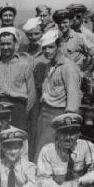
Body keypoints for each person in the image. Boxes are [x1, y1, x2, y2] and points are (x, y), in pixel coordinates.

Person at [34, 30, 81, 158]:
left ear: (59, 46)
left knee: (54, 152)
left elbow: (73, 96)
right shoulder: (49, 66)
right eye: (44, 48)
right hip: (44, 114)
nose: (47, 51)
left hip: (58, 115)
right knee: (41, 150)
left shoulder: (68, 67)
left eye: (51, 47)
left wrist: (68, 122)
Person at [0, 27, 36, 132]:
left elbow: (31, 93)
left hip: (17, 109)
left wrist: (23, 113)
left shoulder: (24, 64)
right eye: (2, 44)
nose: (5, 47)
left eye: (9, 44)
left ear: (15, 44)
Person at [53, 9, 94, 77]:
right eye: (59, 23)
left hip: (76, 78)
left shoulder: (80, 38)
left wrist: (86, 72)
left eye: (65, 22)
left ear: (71, 22)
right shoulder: (58, 40)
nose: (62, 25)